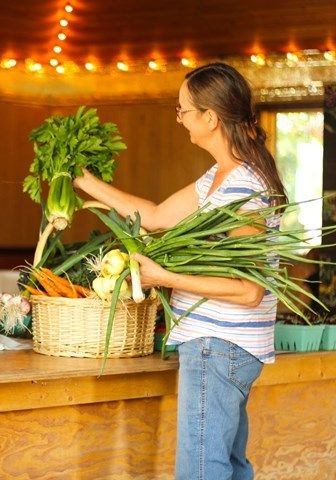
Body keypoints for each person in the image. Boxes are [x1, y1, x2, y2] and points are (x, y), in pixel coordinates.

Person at [73, 63, 286, 480]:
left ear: (210, 117)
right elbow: (153, 217)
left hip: (218, 343)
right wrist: (85, 181)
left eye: (183, 109)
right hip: (223, 344)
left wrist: (163, 278)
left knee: (201, 470)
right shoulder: (221, 179)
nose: (179, 118)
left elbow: (248, 291)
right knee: (230, 466)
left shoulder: (243, 188)